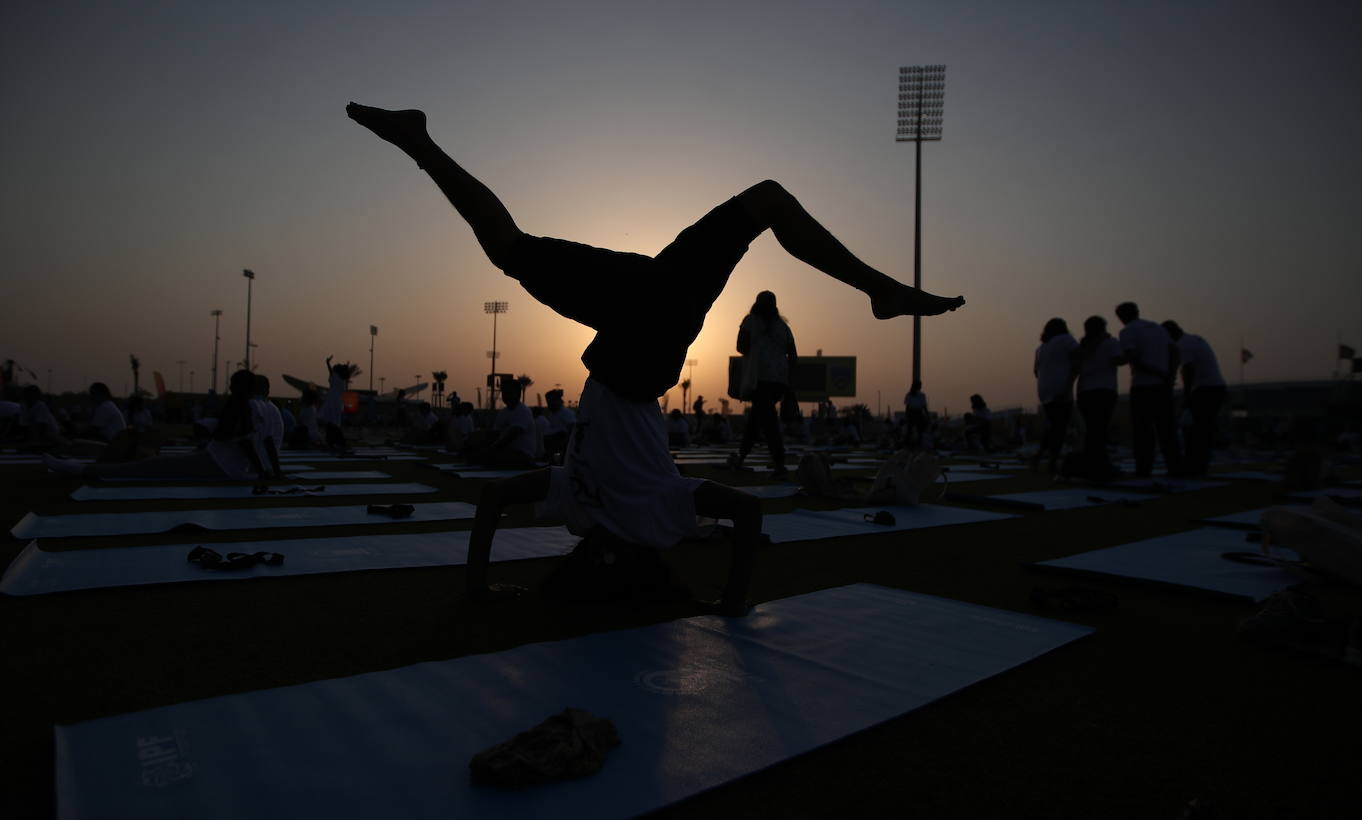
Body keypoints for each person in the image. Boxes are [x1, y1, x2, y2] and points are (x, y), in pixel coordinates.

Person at [347, 102, 965, 613]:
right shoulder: (650, 509)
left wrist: (480, 587)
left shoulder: (579, 500)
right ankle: (418, 142)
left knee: (512, 247)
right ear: (636, 562)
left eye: (594, 565)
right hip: (650, 322)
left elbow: (491, 503)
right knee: (764, 201)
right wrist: (731, 601)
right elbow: (745, 515)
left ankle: (418, 143)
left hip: (639, 316)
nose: (601, 557)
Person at [45, 370, 268, 480]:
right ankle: (78, 465)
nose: (229, 388)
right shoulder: (247, 407)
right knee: (152, 465)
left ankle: (79, 468)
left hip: (219, 464)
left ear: (240, 387)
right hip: (225, 465)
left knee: (145, 467)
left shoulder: (238, 406)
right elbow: (247, 443)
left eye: (232, 385)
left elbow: (238, 440)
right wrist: (263, 471)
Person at [731, 291, 796, 479]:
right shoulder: (783, 327)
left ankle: (779, 463)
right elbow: (793, 355)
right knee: (758, 419)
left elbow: (740, 347)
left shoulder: (750, 321)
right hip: (779, 381)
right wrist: (791, 382)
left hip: (759, 379)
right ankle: (742, 458)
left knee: (768, 422)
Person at [1114, 302, 1180, 477]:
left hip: (1143, 385)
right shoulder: (1159, 329)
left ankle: (1144, 468)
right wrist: (1170, 376)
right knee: (1166, 428)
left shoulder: (1128, 331)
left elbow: (1132, 358)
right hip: (1163, 386)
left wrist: (1117, 361)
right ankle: (1174, 467)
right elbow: (1174, 353)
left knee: (1143, 430)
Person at [1162, 320, 1227, 475]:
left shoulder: (1184, 345)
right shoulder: (1195, 339)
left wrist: (1186, 396)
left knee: (1195, 429)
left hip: (1205, 389)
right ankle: (1198, 464)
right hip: (1214, 387)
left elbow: (1188, 369)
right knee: (1202, 429)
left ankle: (1194, 465)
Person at [1074, 316, 1122, 480]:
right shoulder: (1110, 343)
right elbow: (1119, 360)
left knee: (1092, 430)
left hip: (1084, 392)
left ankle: (1092, 463)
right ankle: (1099, 465)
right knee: (1099, 430)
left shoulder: (1082, 347)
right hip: (1104, 390)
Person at [1032, 318, 1079, 473]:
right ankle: (1052, 459)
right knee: (1060, 427)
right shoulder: (1066, 340)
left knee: (1054, 425)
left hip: (1044, 389)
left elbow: (1036, 371)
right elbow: (1078, 358)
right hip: (1061, 388)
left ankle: (1040, 454)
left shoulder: (1041, 348)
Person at [319, 356, 352, 450]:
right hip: (337, 403)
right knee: (333, 424)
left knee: (331, 424)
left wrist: (328, 364)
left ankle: (337, 442)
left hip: (332, 402)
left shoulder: (336, 377)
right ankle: (333, 442)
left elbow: (331, 372)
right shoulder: (343, 381)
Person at [542, 389, 576, 464]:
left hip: (563, 451)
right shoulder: (552, 414)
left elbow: (572, 429)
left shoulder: (566, 413)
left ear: (558, 400)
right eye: (548, 401)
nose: (549, 404)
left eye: (551, 401)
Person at [903, 381, 929, 448]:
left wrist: (927, 416)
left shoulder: (921, 395)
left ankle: (918, 445)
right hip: (913, 414)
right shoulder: (909, 395)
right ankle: (908, 445)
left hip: (918, 414)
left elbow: (924, 407)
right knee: (911, 431)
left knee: (919, 431)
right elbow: (907, 407)